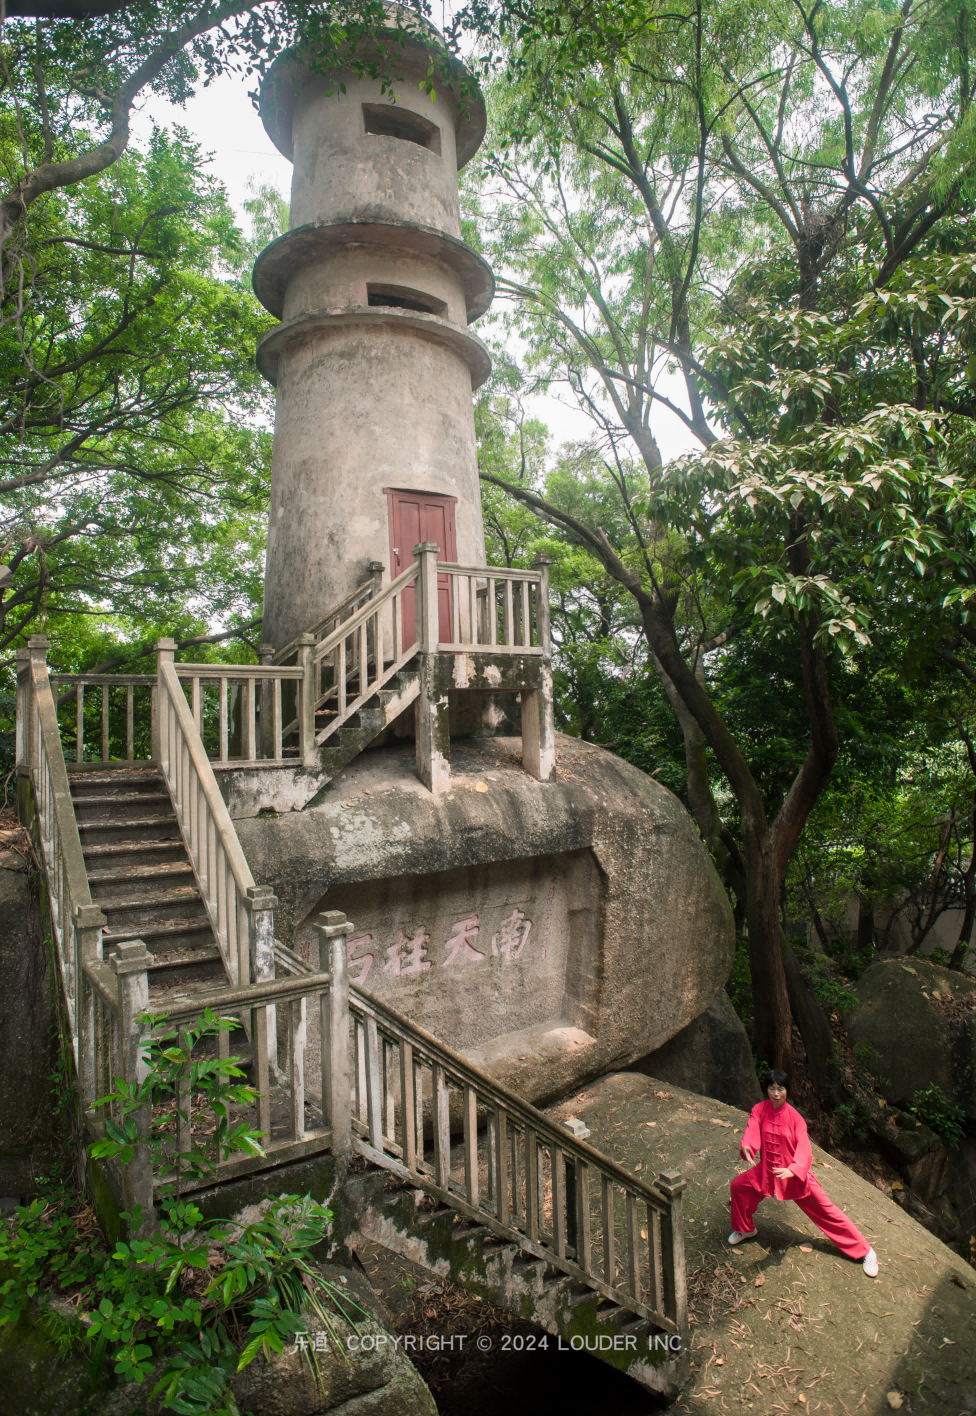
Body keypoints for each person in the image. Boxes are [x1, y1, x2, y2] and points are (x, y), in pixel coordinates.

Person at [729, 1070, 879, 1278]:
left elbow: (805, 1148)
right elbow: (752, 1128)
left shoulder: (796, 1118)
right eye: (772, 1088)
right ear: (766, 1090)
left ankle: (865, 1251)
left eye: (781, 1089)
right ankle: (745, 1229)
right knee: (739, 1187)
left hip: (793, 1177)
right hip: (766, 1173)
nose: (776, 1093)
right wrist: (747, 1146)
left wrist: (793, 1169)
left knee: (828, 1212)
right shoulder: (759, 1109)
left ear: (787, 1090)